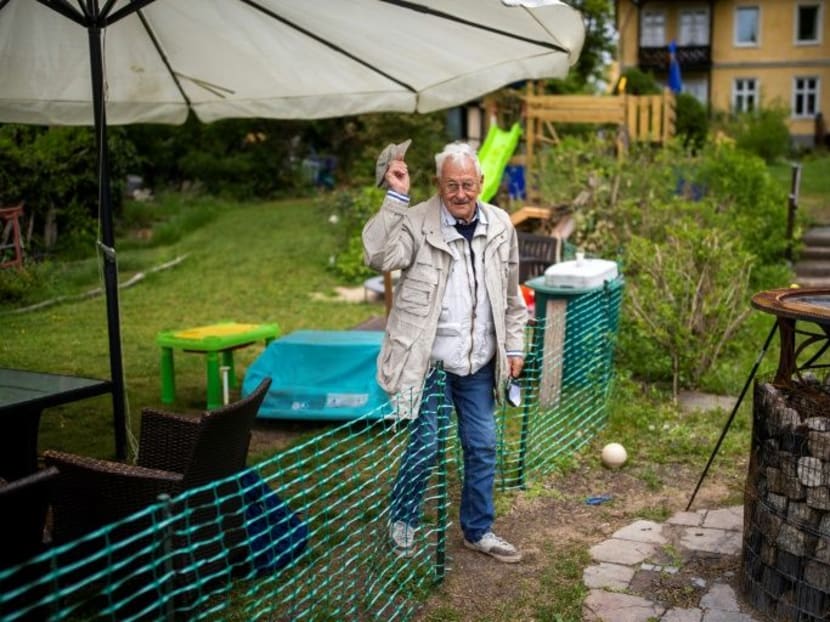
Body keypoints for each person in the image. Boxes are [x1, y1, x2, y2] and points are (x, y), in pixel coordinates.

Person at [362, 141, 527, 563]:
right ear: (438, 183)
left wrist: (513, 346)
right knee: (427, 445)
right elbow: (377, 255)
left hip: (476, 362)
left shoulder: (501, 225)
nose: (459, 193)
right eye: (451, 184)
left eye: (467, 184)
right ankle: (402, 519)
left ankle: (478, 530)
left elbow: (511, 297)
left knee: (483, 444)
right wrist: (396, 197)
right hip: (429, 362)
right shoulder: (417, 221)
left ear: (481, 183)